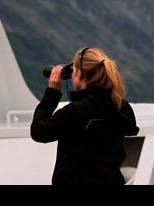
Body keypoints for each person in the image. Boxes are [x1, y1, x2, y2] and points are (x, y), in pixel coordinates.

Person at [30, 47, 139, 185]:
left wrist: (52, 92)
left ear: (80, 74)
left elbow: (39, 131)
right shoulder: (122, 108)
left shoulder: (77, 111)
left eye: (73, 71)